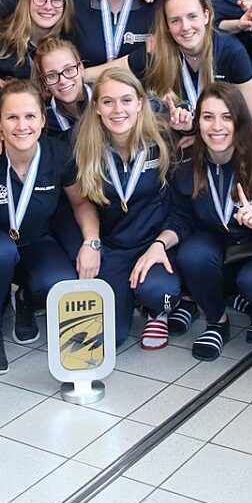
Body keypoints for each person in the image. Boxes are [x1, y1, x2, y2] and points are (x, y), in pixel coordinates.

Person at [0, 80, 98, 369]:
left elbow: (81, 203)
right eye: (12, 117)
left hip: (37, 241)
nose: (22, 126)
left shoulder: (58, 155)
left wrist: (91, 242)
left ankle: (25, 299)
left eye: (30, 116)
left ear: (43, 119)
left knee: (59, 283)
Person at [164, 82, 252, 359]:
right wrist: (158, 244)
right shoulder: (187, 165)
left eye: (226, 117)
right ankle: (216, 321)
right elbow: (180, 218)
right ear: (197, 122)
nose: (217, 127)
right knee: (192, 255)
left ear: (240, 121)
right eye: (208, 117)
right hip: (214, 250)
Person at [73, 68, 180, 348]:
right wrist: (91, 244)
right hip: (115, 247)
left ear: (140, 104)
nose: (117, 110)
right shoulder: (83, 145)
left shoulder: (162, 141)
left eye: (126, 100)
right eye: (107, 101)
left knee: (157, 292)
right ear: (96, 107)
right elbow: (81, 201)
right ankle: (130, 298)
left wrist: (160, 244)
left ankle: (156, 310)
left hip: (156, 244)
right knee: (111, 338)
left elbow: (182, 211)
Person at [144, 0, 252, 130]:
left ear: (206, 16)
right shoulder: (157, 49)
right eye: (175, 20)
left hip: (222, 142)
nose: (185, 27)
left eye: (192, 16)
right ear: (167, 25)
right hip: (177, 145)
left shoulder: (231, 52)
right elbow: (113, 72)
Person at [0, 0, 75, 80]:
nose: (48, 6)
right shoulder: (1, 45)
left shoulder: (73, 41)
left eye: (56, 0)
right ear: (27, 0)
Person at [33, 37, 91, 140]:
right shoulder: (44, 120)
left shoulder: (106, 99)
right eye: (52, 76)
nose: (63, 81)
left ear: (81, 68)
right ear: (44, 82)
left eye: (68, 70)